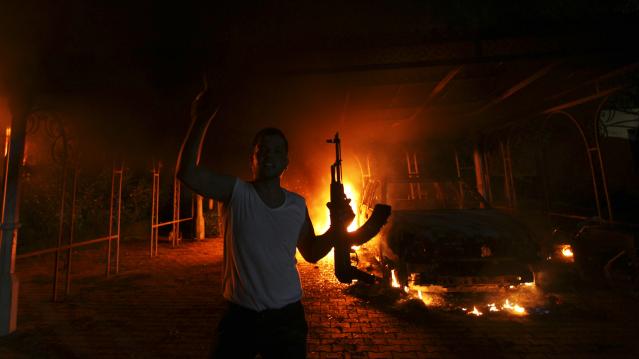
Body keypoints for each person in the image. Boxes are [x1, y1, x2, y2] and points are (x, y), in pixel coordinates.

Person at [176, 80, 354, 359]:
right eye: (262, 150)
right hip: (240, 318)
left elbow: (312, 252)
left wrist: (338, 226)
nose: (269, 155)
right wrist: (200, 120)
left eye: (277, 151)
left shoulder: (297, 205)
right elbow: (187, 172)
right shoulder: (236, 193)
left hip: (287, 321)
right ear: (253, 160)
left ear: (286, 162)